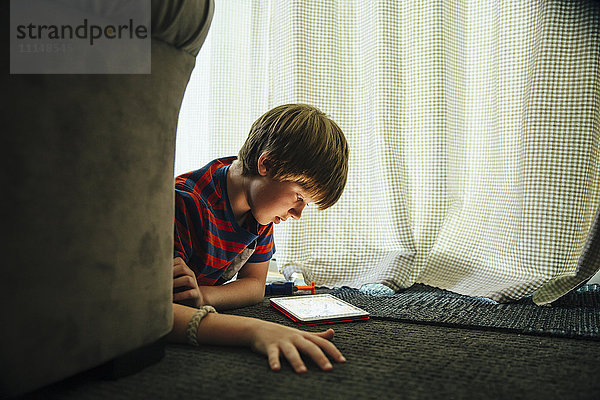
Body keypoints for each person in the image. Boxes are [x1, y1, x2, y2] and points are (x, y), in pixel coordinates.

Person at [168, 104, 350, 373]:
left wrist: (204, 296)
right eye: (299, 197)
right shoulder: (184, 203)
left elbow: (255, 285)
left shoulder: (260, 209)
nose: (297, 213)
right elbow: (160, 306)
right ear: (266, 164)